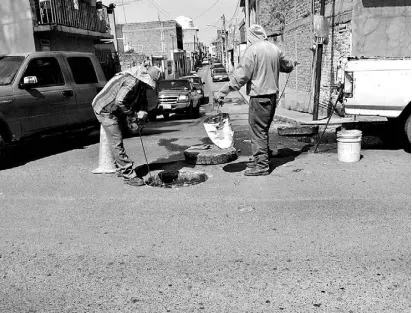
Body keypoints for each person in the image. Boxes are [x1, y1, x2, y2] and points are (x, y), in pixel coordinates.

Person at [214, 24, 298, 176]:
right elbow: (287, 66)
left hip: (259, 97)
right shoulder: (274, 49)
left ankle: (262, 165)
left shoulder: (252, 51)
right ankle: (261, 158)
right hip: (272, 97)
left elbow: (240, 77)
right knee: (263, 130)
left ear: (251, 36)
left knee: (257, 131)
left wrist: (222, 91)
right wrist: (293, 64)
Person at [92, 65, 161, 186]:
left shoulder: (141, 84)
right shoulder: (132, 81)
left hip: (115, 109)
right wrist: (132, 114)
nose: (148, 86)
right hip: (105, 109)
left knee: (117, 138)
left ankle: (120, 167)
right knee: (116, 141)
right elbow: (120, 101)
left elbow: (142, 101)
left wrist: (143, 113)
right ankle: (128, 175)